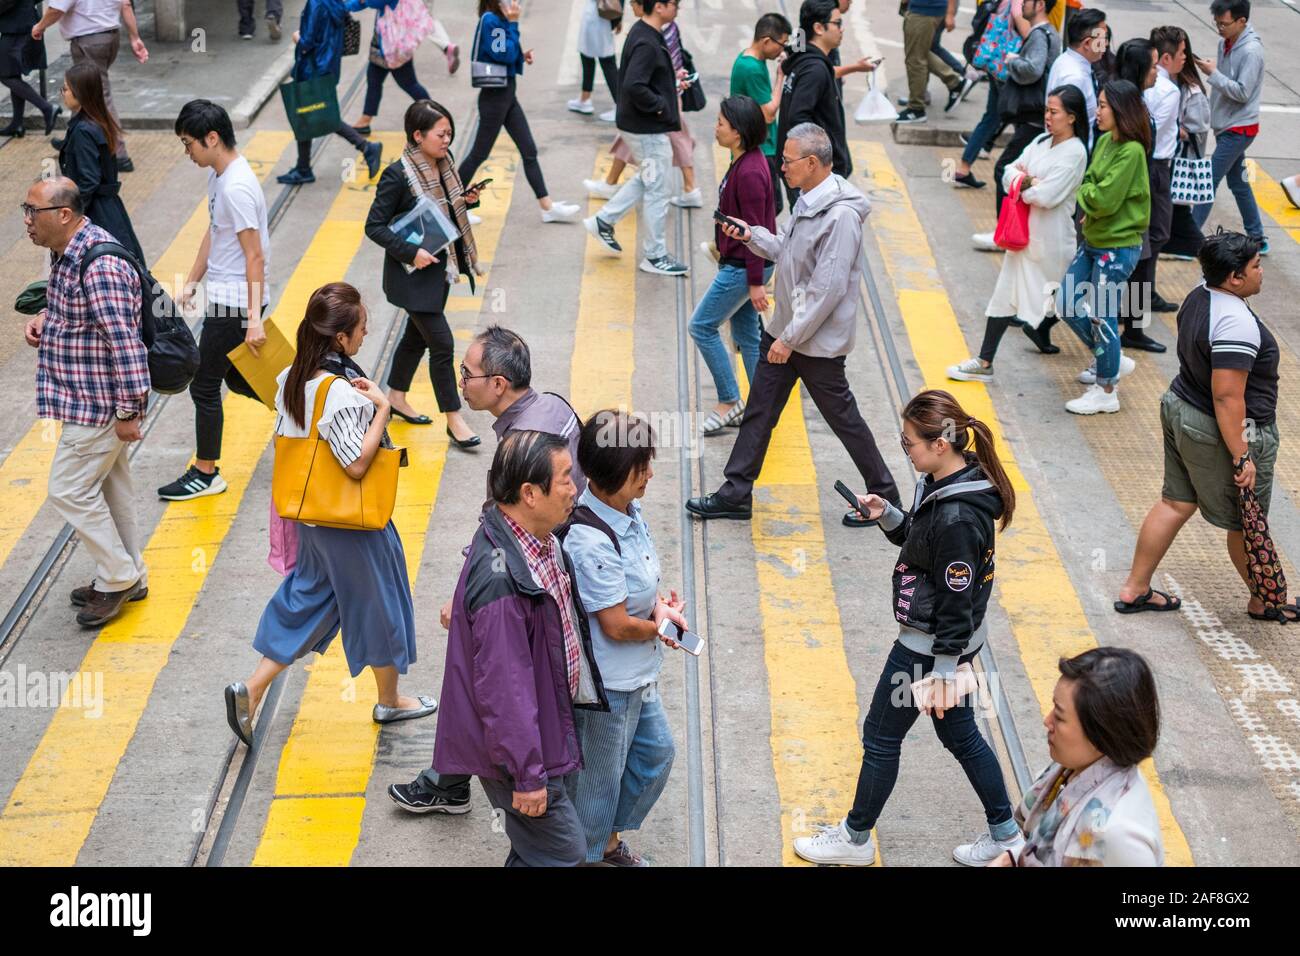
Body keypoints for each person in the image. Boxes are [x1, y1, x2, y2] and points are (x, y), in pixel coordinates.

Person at [792, 390, 1024, 866]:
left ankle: (855, 838)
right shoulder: (950, 481)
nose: (906, 450)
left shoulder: (958, 514)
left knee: (880, 736)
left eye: (909, 443)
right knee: (961, 736)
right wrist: (889, 516)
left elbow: (956, 598)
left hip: (928, 648)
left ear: (941, 444)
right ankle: (1005, 832)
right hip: (946, 648)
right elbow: (922, 541)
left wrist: (940, 669)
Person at [386, 326, 586, 818]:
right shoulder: (553, 405)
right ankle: (449, 779)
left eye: (467, 374)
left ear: (498, 384)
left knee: (494, 676)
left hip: (540, 568)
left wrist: (467, 591)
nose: (460, 383)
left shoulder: (522, 442)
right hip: (552, 558)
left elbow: (503, 524)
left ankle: (474, 779)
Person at [222, 282, 434, 748]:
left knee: (309, 600)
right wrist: (381, 408)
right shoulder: (340, 393)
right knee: (380, 604)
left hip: (311, 518)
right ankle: (391, 699)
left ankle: (251, 692)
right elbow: (357, 464)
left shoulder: (291, 380)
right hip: (350, 524)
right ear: (340, 338)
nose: (364, 335)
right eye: (360, 328)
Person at [685, 123, 900, 528]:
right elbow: (785, 247)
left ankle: (886, 498)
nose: (780, 166)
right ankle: (735, 493)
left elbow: (828, 289)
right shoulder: (807, 199)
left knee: (843, 420)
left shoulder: (840, 218)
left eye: (787, 161)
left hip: (813, 343)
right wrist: (751, 235)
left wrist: (788, 338)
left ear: (813, 163)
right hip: (787, 330)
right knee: (760, 413)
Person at [432, 429, 608, 867]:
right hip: (520, 751)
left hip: (546, 728)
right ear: (530, 493)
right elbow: (505, 690)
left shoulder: (537, 540)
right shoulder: (502, 577)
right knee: (564, 852)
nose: (576, 487)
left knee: (536, 851)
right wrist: (528, 776)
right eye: (566, 478)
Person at [1115, 230, 1290, 622]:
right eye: (1256, 267)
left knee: (1175, 502)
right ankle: (1264, 601)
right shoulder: (1235, 323)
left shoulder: (1201, 292)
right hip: (1219, 428)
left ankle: (1135, 588)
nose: (1263, 273)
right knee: (1246, 522)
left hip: (1180, 406)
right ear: (1234, 278)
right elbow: (1228, 397)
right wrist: (1242, 455)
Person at [23, 177, 148, 628]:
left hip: (98, 405)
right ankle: (132, 571)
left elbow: (125, 343)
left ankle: (117, 575)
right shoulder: (67, 253)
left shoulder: (98, 265)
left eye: (32, 211)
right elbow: (77, 315)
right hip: (89, 397)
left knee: (67, 489)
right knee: (114, 491)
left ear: (63, 215)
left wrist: (129, 412)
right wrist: (43, 319)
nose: (26, 221)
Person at [563, 410, 684, 866]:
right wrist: (659, 628)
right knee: (597, 783)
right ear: (615, 474)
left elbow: (642, 585)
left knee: (656, 755)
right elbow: (614, 624)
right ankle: (591, 855)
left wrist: (660, 609)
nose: (650, 473)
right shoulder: (588, 540)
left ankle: (607, 841)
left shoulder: (630, 511)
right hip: (607, 687)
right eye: (641, 466)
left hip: (640, 674)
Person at [157, 99, 269, 501]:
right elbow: (214, 232)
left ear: (212, 138)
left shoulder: (237, 186)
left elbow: (254, 255)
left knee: (204, 387)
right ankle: (308, 412)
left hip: (236, 304)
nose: (187, 152)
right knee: (239, 377)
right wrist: (191, 281)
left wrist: (253, 318)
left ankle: (206, 472)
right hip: (228, 299)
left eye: (189, 144)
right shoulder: (220, 176)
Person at [948, 85, 1088, 382]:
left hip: (1052, 243)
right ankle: (985, 361)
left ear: (1072, 117)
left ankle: (1108, 360)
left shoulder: (1075, 153)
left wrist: (1023, 184)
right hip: (1024, 238)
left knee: (1069, 305)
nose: (1048, 117)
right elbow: (1008, 171)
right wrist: (1027, 181)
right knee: (1004, 295)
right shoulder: (1040, 140)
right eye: (1047, 111)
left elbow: (1047, 196)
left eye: (1054, 112)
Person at [365, 99, 483, 448]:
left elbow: (448, 208)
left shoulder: (443, 166)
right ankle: (454, 419)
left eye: (450, 133)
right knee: (442, 344)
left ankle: (396, 396)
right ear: (417, 135)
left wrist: (468, 200)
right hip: (410, 275)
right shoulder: (398, 175)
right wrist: (410, 252)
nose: (447, 140)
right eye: (440, 134)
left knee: (416, 338)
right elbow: (374, 226)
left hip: (436, 271)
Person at [987, 648, 1164, 866]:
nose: (1047, 720)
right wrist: (1010, 859)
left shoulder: (1118, 835)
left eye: (1059, 716)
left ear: (1102, 733)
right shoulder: (1074, 771)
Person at [1057, 80, 1150, 416]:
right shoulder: (1106, 142)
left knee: (1101, 314)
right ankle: (1110, 356)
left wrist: (1090, 194)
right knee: (1066, 302)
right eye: (1098, 104)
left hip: (1117, 246)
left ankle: (1107, 388)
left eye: (1104, 106)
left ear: (1121, 110)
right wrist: (1091, 194)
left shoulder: (1131, 151)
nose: (1097, 112)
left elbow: (1102, 198)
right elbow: (1091, 185)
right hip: (1095, 240)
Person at [583, 0, 689, 277]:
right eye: (674, 4)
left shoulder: (645, 33)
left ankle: (603, 221)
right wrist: (661, 105)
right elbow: (633, 84)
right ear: (660, 7)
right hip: (647, 129)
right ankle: (654, 256)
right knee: (658, 190)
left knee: (649, 178)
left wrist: (671, 82)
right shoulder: (647, 42)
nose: (678, 8)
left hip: (640, 125)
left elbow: (642, 78)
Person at [690, 95, 774, 435]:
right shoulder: (745, 160)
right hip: (743, 263)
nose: (716, 127)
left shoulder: (751, 172)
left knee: (702, 326)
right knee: (746, 336)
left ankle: (728, 400)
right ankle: (758, 409)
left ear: (737, 132)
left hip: (743, 268)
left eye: (721, 123)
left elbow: (755, 233)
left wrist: (755, 282)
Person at [458, 0, 581, 224]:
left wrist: (520, 55)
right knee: (478, 154)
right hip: (495, 100)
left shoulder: (499, 19)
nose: (514, 2)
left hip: (506, 97)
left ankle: (547, 207)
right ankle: (452, 206)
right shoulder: (492, 20)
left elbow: (504, 52)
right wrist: (514, 24)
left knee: (529, 150)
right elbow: (502, 55)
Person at [1120, 27, 1184, 354]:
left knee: (1144, 250)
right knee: (1145, 249)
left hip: (1144, 180)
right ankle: (1130, 323)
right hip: (1145, 180)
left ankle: (1131, 320)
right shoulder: (1132, 108)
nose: (1157, 71)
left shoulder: (1129, 100)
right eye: (1153, 64)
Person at [275, 0, 383, 186]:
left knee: (323, 116)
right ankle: (303, 168)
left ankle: (366, 147)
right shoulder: (334, 2)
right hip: (327, 66)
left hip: (312, 68)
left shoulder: (316, 4)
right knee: (306, 116)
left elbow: (307, 42)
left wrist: (296, 37)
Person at [33, 0, 148, 169]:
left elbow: (57, 9)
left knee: (99, 95)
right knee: (82, 91)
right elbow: (126, 4)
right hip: (110, 37)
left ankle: (119, 154)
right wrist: (134, 36)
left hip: (89, 41)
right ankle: (71, 141)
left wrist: (40, 26)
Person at [1192, 0, 1267, 255]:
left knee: (1209, 180)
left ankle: (1190, 236)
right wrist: (1214, 70)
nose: (1219, 29)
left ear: (1241, 21)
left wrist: (1214, 74)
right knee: (1239, 183)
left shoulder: (1251, 51)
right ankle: (1258, 236)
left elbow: (1243, 92)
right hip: (1227, 124)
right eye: (1217, 23)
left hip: (1239, 128)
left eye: (1224, 24)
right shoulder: (1227, 42)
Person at [777, 0, 862, 208]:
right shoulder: (814, 70)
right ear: (818, 28)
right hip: (814, 180)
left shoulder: (803, 59)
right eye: (837, 23)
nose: (842, 29)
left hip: (808, 174)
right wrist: (818, 169)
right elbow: (799, 119)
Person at [57, 62, 143, 264]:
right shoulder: (97, 121)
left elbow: (88, 181)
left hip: (97, 214)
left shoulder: (83, 131)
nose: (63, 93)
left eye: (66, 89)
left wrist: (73, 219)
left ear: (80, 93)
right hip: (109, 209)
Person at [989, 0, 1060, 219]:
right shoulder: (1049, 33)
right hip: (1036, 116)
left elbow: (1033, 69)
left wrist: (1013, 61)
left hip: (1033, 117)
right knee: (1021, 171)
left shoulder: (1040, 35)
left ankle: (1005, 228)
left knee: (1004, 169)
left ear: (1039, 5)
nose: (1022, 6)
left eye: (1027, 2)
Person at [347, 0, 456, 135]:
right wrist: (345, 6)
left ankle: (435, 116)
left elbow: (375, 2)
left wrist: (350, 4)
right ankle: (365, 120)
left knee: (409, 84)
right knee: (374, 81)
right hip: (385, 44)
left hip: (393, 46)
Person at [730, 12, 790, 215]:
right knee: (769, 207)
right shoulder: (752, 69)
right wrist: (781, 75)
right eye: (781, 44)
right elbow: (769, 113)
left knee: (756, 206)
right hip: (761, 148)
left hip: (756, 145)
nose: (782, 50)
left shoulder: (751, 59)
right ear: (766, 41)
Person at [1163, 30, 1210, 261]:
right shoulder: (1167, 82)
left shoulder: (1192, 91)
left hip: (1181, 161)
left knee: (1179, 213)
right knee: (1174, 212)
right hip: (1171, 160)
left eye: (1184, 53)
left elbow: (1199, 129)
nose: (1183, 57)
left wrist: (1178, 129)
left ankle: (1205, 252)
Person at [896, 0, 963, 125]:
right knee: (919, 53)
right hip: (922, 9)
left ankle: (916, 109)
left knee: (916, 60)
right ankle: (954, 81)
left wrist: (950, 14)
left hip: (925, 10)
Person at [0, 0, 59, 137]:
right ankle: (17, 124)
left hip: (16, 26)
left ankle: (47, 108)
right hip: (20, 23)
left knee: (5, 75)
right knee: (12, 73)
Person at [660, 14, 701, 209]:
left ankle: (691, 189)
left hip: (666, 95)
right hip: (669, 91)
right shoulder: (671, 25)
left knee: (680, 137)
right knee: (626, 139)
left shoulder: (660, 28)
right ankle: (610, 180)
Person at [569, 0, 621, 121]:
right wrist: (618, 18)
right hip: (603, 13)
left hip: (598, 13)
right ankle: (584, 98)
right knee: (589, 57)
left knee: (606, 61)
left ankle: (620, 105)